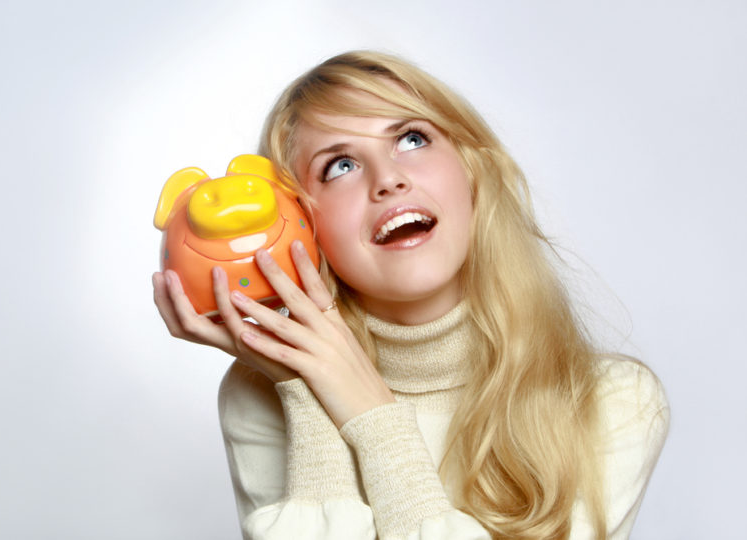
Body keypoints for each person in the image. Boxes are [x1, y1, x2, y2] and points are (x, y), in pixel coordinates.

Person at [152, 51, 669, 539]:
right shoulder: (262, 395)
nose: (388, 180)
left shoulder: (615, 402)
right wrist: (305, 390)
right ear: (305, 225)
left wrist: (371, 415)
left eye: (412, 139)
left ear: (472, 170)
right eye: (341, 166)